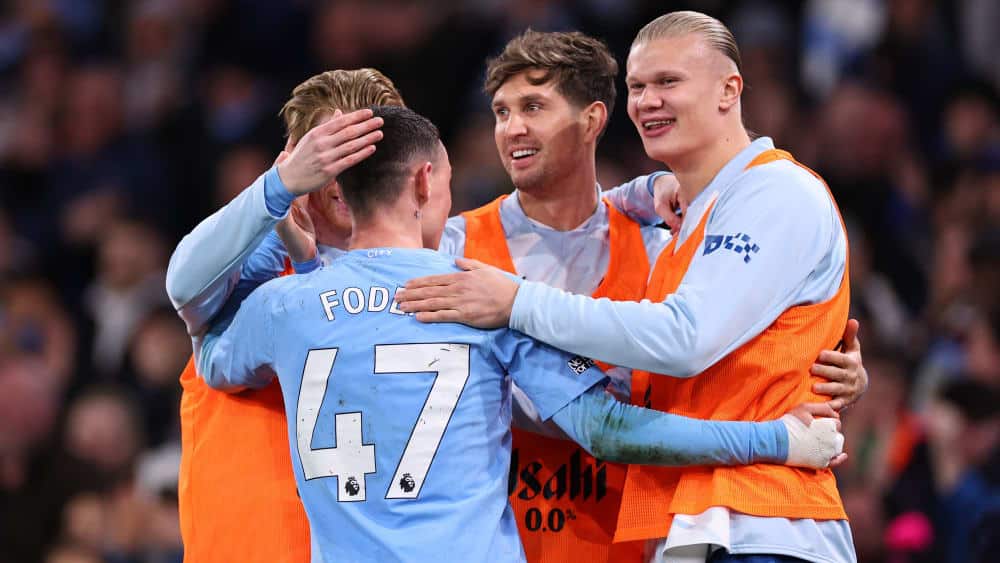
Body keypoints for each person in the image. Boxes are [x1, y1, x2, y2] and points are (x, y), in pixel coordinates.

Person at [196, 105, 845, 563]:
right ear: (425, 181)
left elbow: (206, 341)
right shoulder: (482, 297)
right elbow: (607, 429)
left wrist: (290, 249)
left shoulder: (285, 308)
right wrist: (775, 438)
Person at [397, 11, 859, 563]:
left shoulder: (706, 223)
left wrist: (517, 303)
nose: (512, 127)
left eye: (534, 108)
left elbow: (683, 341)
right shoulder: (453, 250)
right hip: (605, 534)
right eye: (637, 87)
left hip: (736, 523)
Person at [166, 69, 398, 563]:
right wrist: (278, 190)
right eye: (332, 154)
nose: (349, 175)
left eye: (366, 154)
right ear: (297, 159)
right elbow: (183, 284)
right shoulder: (247, 275)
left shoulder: (419, 281)